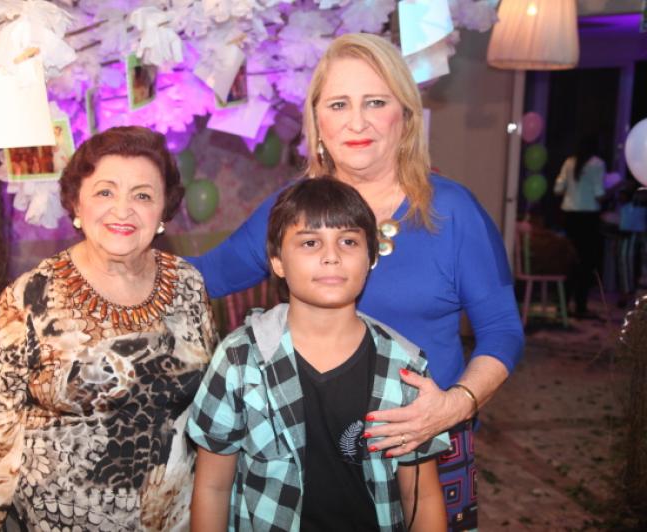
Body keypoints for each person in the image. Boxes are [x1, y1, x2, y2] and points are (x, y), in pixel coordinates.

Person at [187, 33, 524, 530]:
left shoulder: (453, 212)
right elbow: (201, 277)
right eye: (339, 104)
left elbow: (502, 331)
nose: (357, 121)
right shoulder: (294, 212)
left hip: (422, 442)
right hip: (306, 447)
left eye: (376, 102)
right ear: (317, 120)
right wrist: (104, 262)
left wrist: (453, 406)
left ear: (405, 116)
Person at [0, 126, 217, 531]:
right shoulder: (28, 298)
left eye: (143, 195)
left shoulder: (188, 285)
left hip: (173, 521)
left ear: (163, 211)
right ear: (76, 203)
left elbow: (207, 409)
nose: (123, 210)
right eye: (105, 192)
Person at [187, 177, 450, 531]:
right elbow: (213, 487)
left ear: (371, 257)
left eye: (349, 241)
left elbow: (422, 496)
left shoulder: (404, 368)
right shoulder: (238, 360)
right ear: (277, 261)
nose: (331, 256)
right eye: (310, 242)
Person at [553, 135, 606, 318]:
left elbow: (558, 189)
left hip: (570, 215)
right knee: (586, 262)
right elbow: (599, 193)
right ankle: (580, 306)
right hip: (588, 217)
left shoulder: (569, 162)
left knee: (569, 260)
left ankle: (562, 303)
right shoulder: (597, 164)